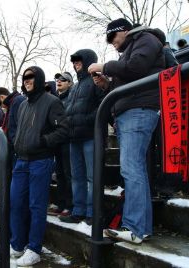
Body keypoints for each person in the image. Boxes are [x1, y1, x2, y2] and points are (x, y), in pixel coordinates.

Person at [88, 18, 165, 244]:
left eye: (112, 37)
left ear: (124, 31)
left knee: (132, 169)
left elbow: (135, 68)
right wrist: (106, 84)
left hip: (139, 110)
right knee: (133, 169)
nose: (111, 42)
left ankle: (136, 227)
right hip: (130, 111)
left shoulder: (146, 38)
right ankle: (140, 227)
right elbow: (127, 77)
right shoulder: (132, 48)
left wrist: (105, 66)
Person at [10, 66, 68, 266]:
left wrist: (43, 142)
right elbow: (16, 129)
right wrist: (17, 143)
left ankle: (34, 248)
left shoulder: (52, 101)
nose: (27, 80)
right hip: (21, 160)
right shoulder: (23, 105)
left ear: (39, 79)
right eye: (25, 78)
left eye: (31, 77)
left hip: (41, 161)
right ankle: (17, 244)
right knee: (16, 202)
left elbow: (63, 130)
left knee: (36, 205)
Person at [60, 49, 105, 226]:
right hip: (73, 138)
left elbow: (103, 104)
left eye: (79, 60)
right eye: (74, 61)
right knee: (77, 176)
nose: (75, 63)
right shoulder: (76, 86)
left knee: (92, 177)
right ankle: (78, 210)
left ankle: (92, 211)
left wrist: (86, 120)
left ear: (88, 61)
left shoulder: (96, 81)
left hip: (90, 136)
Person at [48, 72, 74, 216]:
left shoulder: (72, 97)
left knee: (67, 173)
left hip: (68, 140)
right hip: (58, 141)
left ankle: (70, 205)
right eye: (57, 79)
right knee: (59, 174)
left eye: (63, 80)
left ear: (69, 83)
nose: (59, 81)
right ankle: (61, 203)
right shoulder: (56, 99)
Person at [0, 87, 25, 167]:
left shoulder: (17, 101)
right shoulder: (12, 104)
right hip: (15, 150)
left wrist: (16, 147)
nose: (1, 107)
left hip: (18, 152)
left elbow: (20, 127)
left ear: (2, 97)